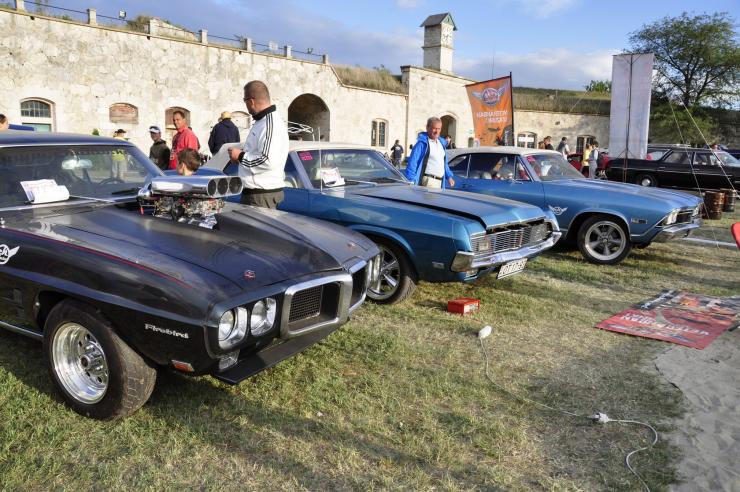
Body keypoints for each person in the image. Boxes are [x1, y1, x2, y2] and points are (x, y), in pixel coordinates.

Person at [228, 80, 287, 209]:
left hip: (261, 196)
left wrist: (240, 156)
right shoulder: (263, 122)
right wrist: (240, 157)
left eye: (244, 101)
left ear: (251, 101)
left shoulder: (270, 124)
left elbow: (267, 160)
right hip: (257, 194)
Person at [404, 116, 455, 189]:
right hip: (428, 182)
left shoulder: (441, 144)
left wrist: (449, 177)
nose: (437, 131)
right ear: (427, 128)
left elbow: (443, 163)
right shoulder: (421, 144)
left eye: (439, 129)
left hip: (440, 182)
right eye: (434, 128)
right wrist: (411, 180)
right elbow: (413, 162)